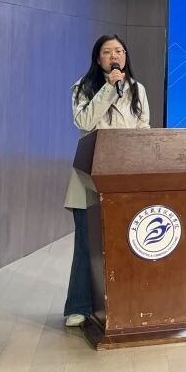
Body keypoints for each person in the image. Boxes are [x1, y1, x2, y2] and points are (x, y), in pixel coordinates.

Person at [62, 34, 150, 327]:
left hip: (124, 179)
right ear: (98, 58)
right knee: (87, 245)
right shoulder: (83, 87)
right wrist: (109, 88)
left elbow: (142, 128)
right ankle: (79, 305)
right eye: (108, 51)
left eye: (119, 51)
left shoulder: (137, 89)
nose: (115, 56)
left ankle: (123, 303)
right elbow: (84, 122)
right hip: (89, 177)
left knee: (125, 245)